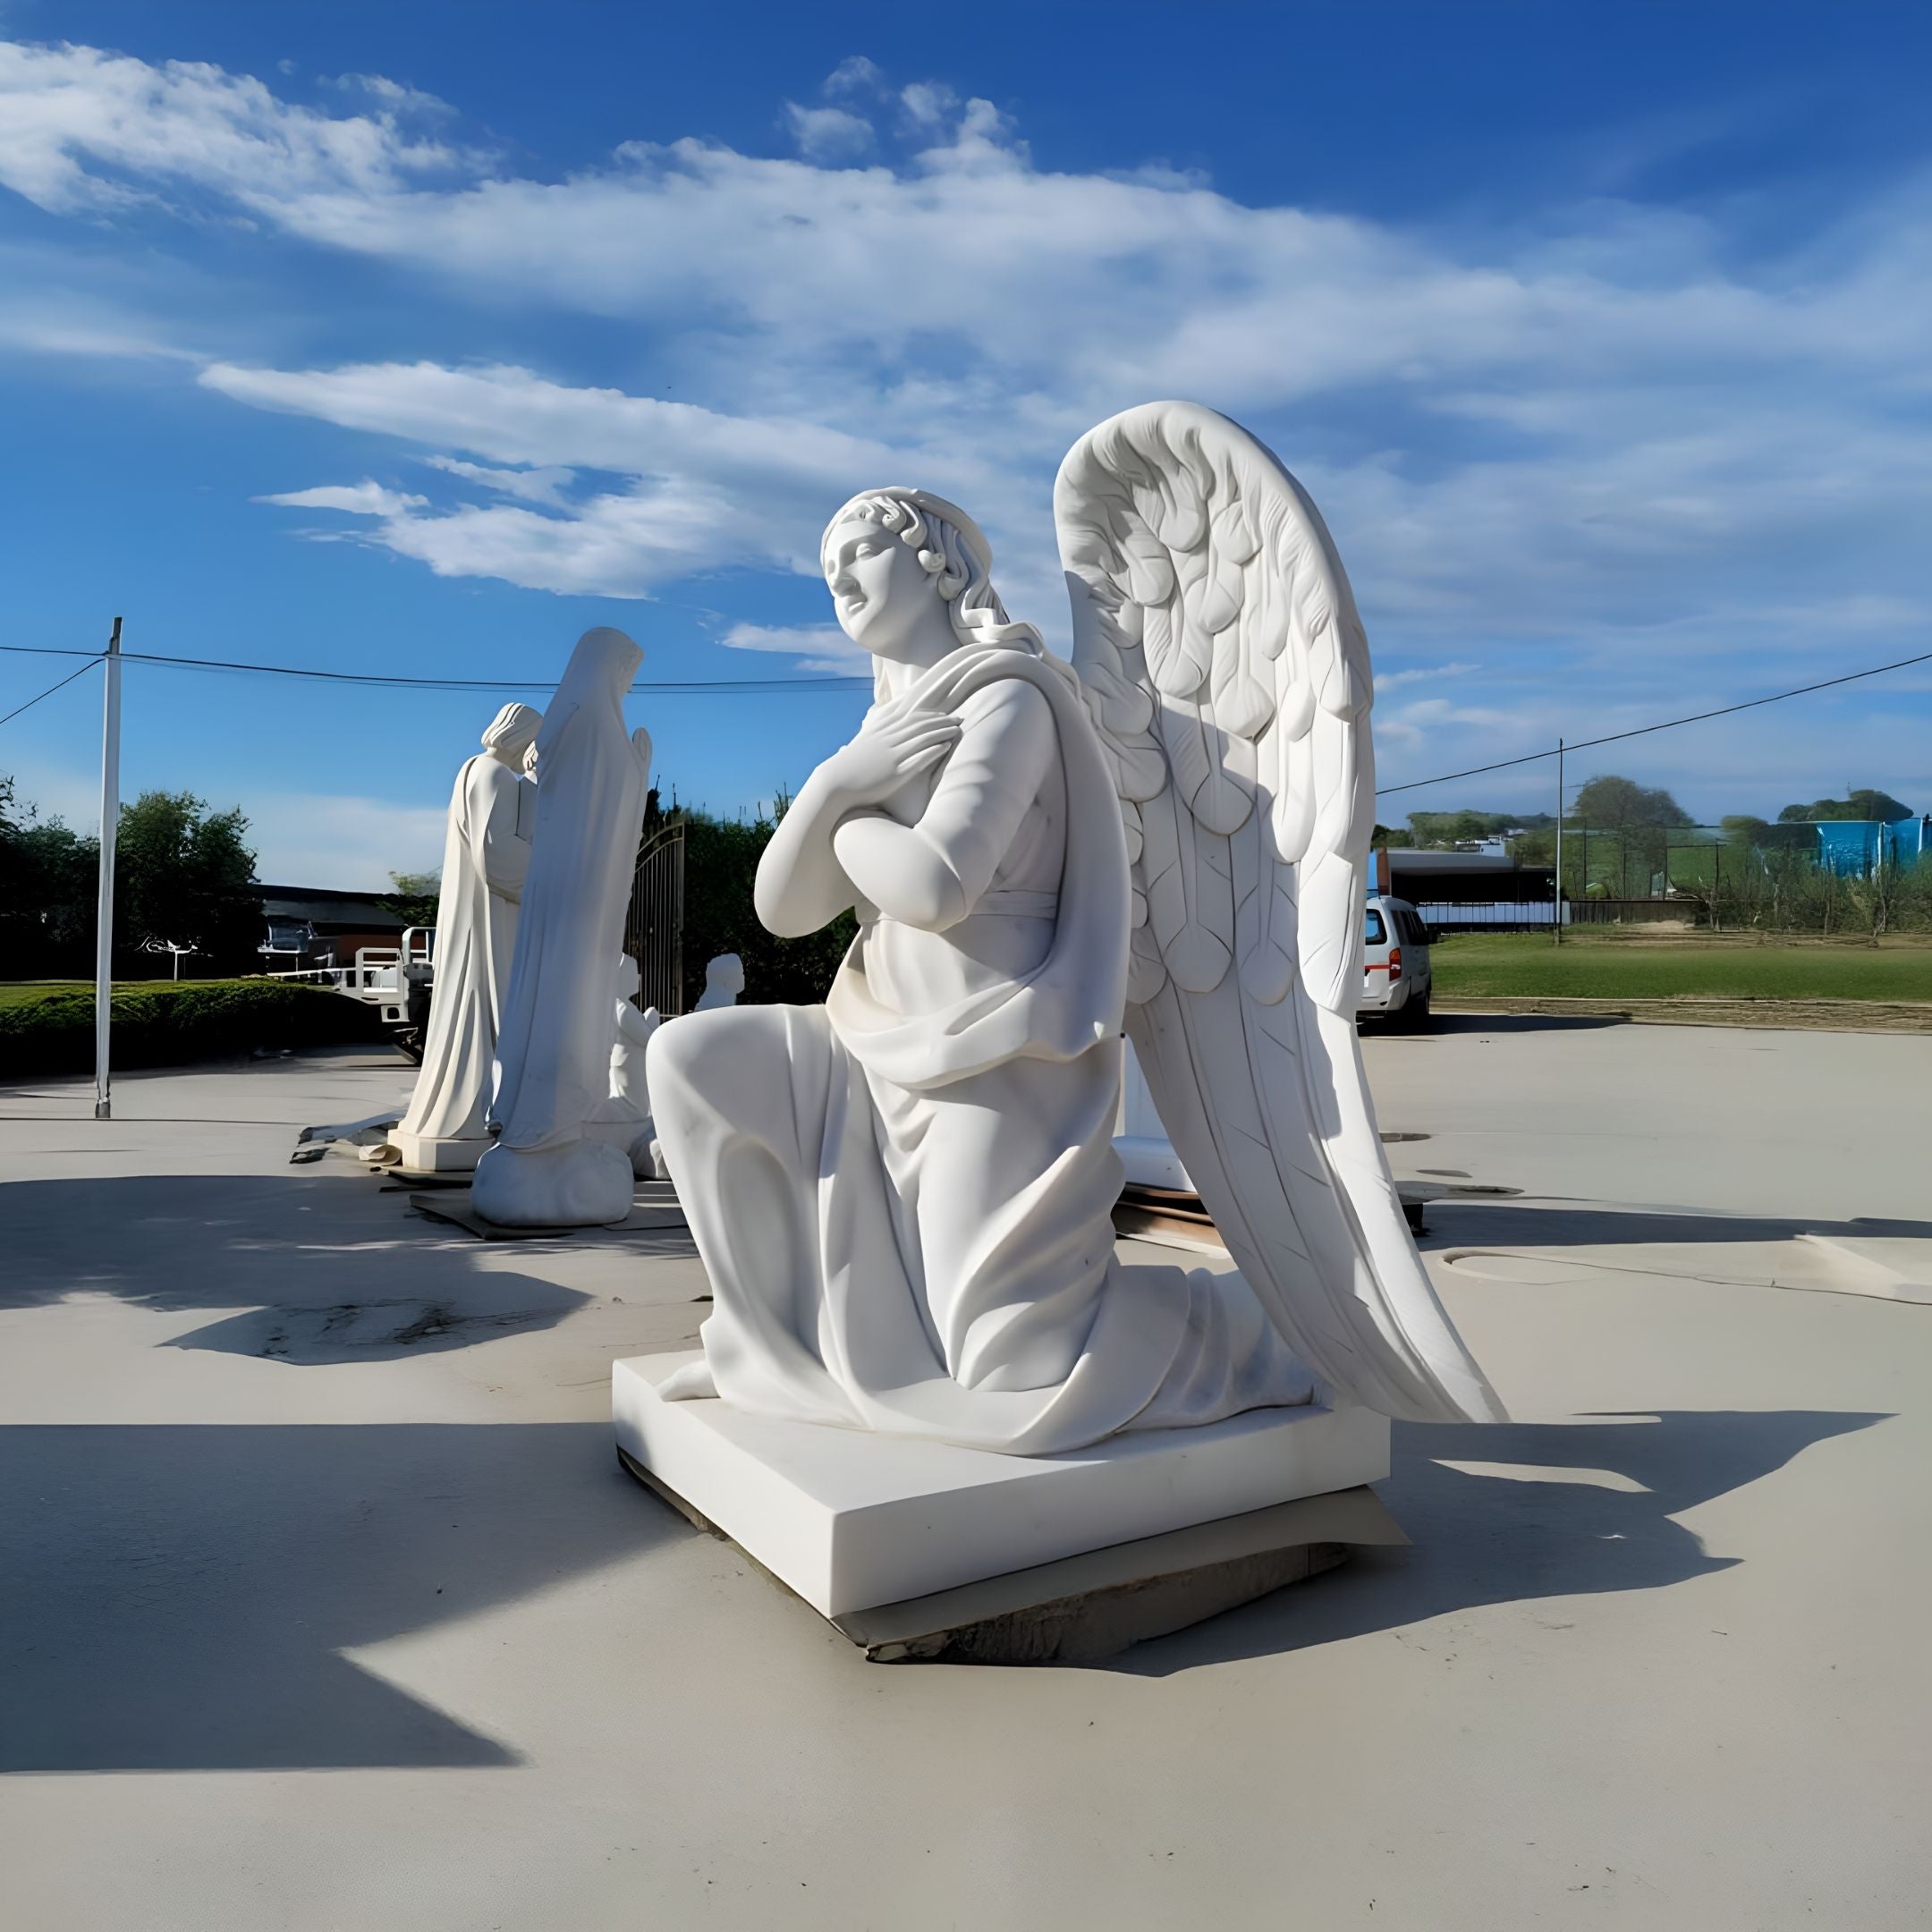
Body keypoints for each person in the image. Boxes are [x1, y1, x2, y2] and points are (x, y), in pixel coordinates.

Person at [648, 491, 1309, 1452]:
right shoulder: (884, 730)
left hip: (996, 1051)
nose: (840, 581)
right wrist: (839, 781)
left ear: (942, 567)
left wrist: (853, 812)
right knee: (690, 1059)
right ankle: (770, 1340)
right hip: (873, 1045)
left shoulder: (1008, 698)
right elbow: (781, 910)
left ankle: (1266, 1332)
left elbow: (936, 885)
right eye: (827, 569)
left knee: (1019, 1372)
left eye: (863, 553)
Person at [391, 703, 540, 1169]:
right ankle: (480, 1115)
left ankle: (464, 1111)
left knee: (472, 1009)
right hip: (490, 916)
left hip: (477, 913)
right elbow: (498, 859)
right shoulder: (495, 775)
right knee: (488, 1008)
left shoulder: (472, 770)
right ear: (523, 739)